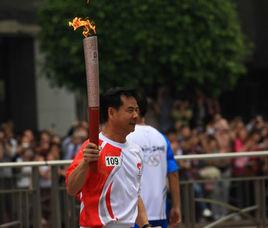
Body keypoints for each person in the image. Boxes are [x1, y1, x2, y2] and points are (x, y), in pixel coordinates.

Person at [66, 87, 151, 228]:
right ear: (111, 112)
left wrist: (145, 225)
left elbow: (135, 194)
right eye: (130, 110)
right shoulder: (93, 146)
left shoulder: (136, 151)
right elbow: (71, 188)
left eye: (136, 110)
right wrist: (85, 163)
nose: (136, 115)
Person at [127, 95, 181, 228]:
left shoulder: (126, 138)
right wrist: (176, 207)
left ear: (136, 110)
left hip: (134, 215)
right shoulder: (161, 138)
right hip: (160, 212)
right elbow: (173, 174)